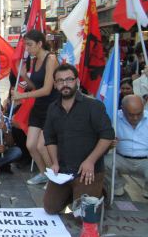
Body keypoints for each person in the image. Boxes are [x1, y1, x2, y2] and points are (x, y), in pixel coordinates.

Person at [43, 64, 114, 214]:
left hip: (88, 171)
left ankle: (100, 190)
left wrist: (90, 161)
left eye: (69, 79)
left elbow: (107, 135)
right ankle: (75, 193)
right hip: (63, 171)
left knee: (82, 216)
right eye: (60, 81)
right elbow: (49, 137)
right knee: (50, 208)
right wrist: (54, 162)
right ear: (55, 85)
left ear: (77, 81)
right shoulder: (52, 108)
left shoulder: (93, 106)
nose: (65, 84)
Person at [12, 30, 59, 185]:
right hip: (38, 107)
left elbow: (46, 89)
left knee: (42, 145)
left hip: (52, 108)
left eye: (30, 45)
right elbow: (34, 87)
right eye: (26, 44)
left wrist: (22, 96)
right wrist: (24, 75)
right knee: (31, 144)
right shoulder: (34, 60)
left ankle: (54, 177)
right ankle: (43, 173)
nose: (27, 48)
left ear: (40, 44)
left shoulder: (51, 59)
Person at [105, 95, 148, 198]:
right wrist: (108, 144)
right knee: (103, 162)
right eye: (131, 114)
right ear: (123, 109)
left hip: (145, 160)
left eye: (139, 114)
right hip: (120, 158)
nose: (135, 118)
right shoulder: (113, 117)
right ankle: (117, 186)